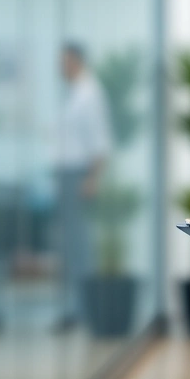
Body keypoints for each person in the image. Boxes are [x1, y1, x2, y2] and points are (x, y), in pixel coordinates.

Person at [54, 42, 111, 331]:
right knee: (70, 244)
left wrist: (92, 179)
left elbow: (100, 142)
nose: (59, 67)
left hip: (79, 176)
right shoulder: (76, 92)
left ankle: (82, 310)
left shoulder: (90, 93)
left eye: (63, 61)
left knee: (79, 245)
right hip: (67, 174)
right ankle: (73, 307)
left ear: (76, 60)